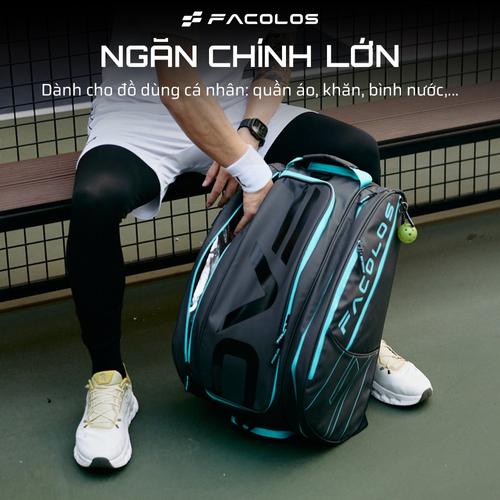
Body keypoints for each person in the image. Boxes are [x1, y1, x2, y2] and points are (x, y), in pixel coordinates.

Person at [68, 19, 432, 469]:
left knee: (355, 151)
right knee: (95, 201)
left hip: (229, 107)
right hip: (138, 118)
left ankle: (346, 339)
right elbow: (175, 81)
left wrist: (251, 131)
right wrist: (250, 170)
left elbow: (274, 55)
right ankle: (108, 375)